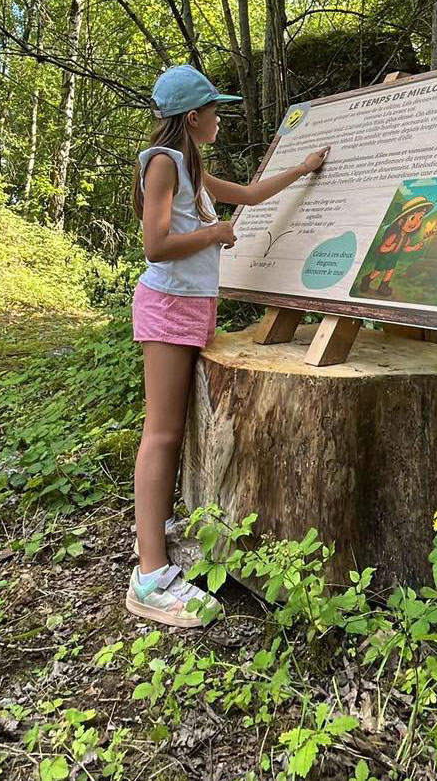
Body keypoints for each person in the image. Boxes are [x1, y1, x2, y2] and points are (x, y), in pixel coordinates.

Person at [126, 64, 330, 628]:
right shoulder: (164, 163)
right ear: (193, 116)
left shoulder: (190, 164)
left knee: (176, 429)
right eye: (216, 110)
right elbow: (155, 245)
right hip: (168, 308)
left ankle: (155, 532)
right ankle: (149, 577)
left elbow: (249, 194)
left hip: (190, 308)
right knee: (161, 433)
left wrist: (303, 169)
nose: (221, 119)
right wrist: (214, 234)